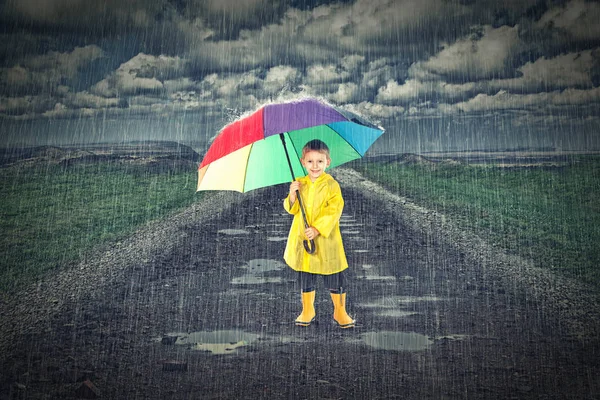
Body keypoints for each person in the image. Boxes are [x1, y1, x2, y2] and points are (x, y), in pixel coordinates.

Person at [283, 139, 355, 328]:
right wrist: (292, 195)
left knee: (334, 274)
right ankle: (308, 309)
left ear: (327, 162)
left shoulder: (332, 185)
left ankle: (340, 311)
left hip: (326, 239)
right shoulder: (299, 182)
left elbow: (334, 210)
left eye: (320, 161)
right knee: (305, 274)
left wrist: (318, 228)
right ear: (302, 162)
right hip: (304, 238)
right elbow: (292, 209)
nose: (315, 166)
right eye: (310, 161)